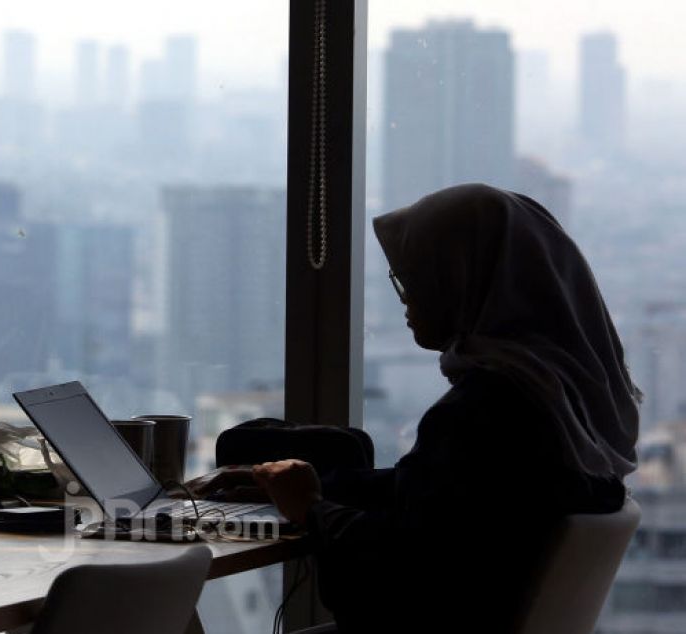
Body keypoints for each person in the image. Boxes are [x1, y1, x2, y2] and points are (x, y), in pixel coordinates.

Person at [236, 184, 639, 632]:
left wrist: (311, 508)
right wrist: (317, 486)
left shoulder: (480, 412)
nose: (405, 297)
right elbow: (449, 499)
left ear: (461, 278)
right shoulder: (563, 402)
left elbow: (398, 578)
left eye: (413, 276)